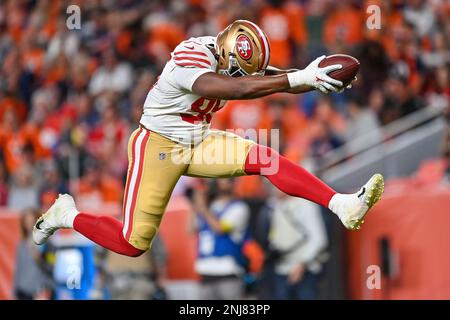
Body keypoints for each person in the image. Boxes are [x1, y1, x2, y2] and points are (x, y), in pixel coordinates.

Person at [33, 20, 384, 258]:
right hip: (158, 146)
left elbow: (261, 78)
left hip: (198, 139)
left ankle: (341, 204)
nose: (243, 73)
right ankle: (66, 215)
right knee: (133, 243)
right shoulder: (191, 57)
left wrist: (312, 77)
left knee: (266, 159)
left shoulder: (230, 60)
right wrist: (297, 79)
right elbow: (241, 87)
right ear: (226, 53)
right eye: (239, 67)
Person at [262, 187, 328, 300]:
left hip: (305, 270)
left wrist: (301, 264)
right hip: (281, 268)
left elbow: (318, 239)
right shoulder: (276, 206)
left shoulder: (306, 205)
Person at [190, 179, 250, 300]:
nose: (221, 183)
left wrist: (204, 207)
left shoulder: (239, 207)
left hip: (228, 272)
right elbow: (190, 229)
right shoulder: (208, 208)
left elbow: (220, 228)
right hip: (205, 272)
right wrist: (195, 203)